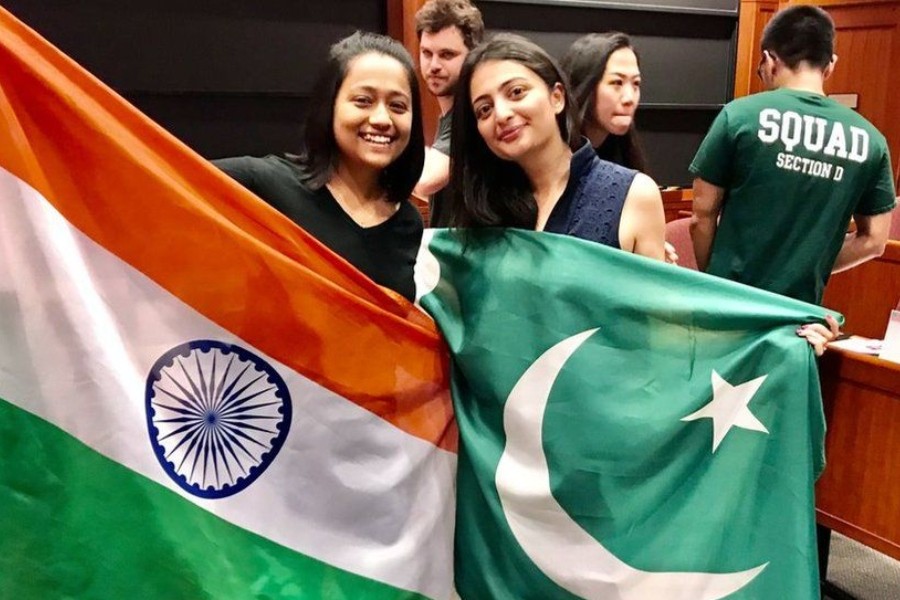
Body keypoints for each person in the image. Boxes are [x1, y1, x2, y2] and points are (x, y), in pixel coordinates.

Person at [689, 5, 895, 353]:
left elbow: (702, 215)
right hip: (799, 327)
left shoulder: (739, 116)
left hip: (726, 315)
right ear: (831, 65)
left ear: (769, 61)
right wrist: (804, 261)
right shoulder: (871, 141)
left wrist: (717, 283)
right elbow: (874, 240)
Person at [215, 32, 425, 301]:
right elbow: (163, 177)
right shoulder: (263, 184)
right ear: (330, 105)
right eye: (363, 100)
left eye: (398, 106)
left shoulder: (407, 222)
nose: (382, 119)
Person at [448, 33, 666, 260]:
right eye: (484, 109)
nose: (501, 114)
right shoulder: (480, 208)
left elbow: (654, 294)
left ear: (557, 97)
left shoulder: (632, 194)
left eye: (516, 92)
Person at [413, 0, 484, 227]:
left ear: (472, 55)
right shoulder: (449, 115)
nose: (433, 65)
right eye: (426, 53)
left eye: (446, 55)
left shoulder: (472, 114)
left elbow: (425, 181)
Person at [561, 31, 647, 173]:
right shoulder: (554, 159)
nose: (629, 98)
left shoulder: (626, 156)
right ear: (585, 85)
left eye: (636, 83)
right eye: (617, 82)